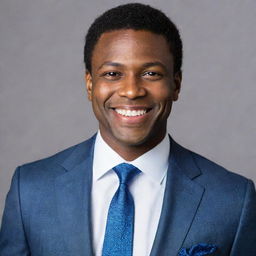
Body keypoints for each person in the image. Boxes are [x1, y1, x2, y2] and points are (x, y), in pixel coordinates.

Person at [0, 3, 255, 256]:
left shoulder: (233, 200)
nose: (132, 91)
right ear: (90, 84)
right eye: (112, 73)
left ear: (175, 85)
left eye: (151, 73)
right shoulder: (30, 191)